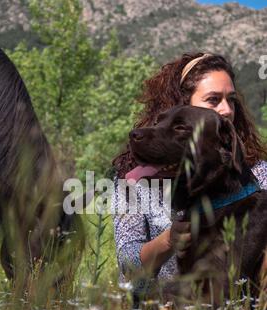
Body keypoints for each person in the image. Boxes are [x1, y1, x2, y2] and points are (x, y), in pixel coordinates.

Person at [112, 52, 267, 285]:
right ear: (182, 106)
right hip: (161, 309)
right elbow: (128, 264)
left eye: (231, 99)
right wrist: (168, 241)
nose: (226, 109)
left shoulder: (257, 173)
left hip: (237, 308)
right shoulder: (135, 181)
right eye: (213, 100)